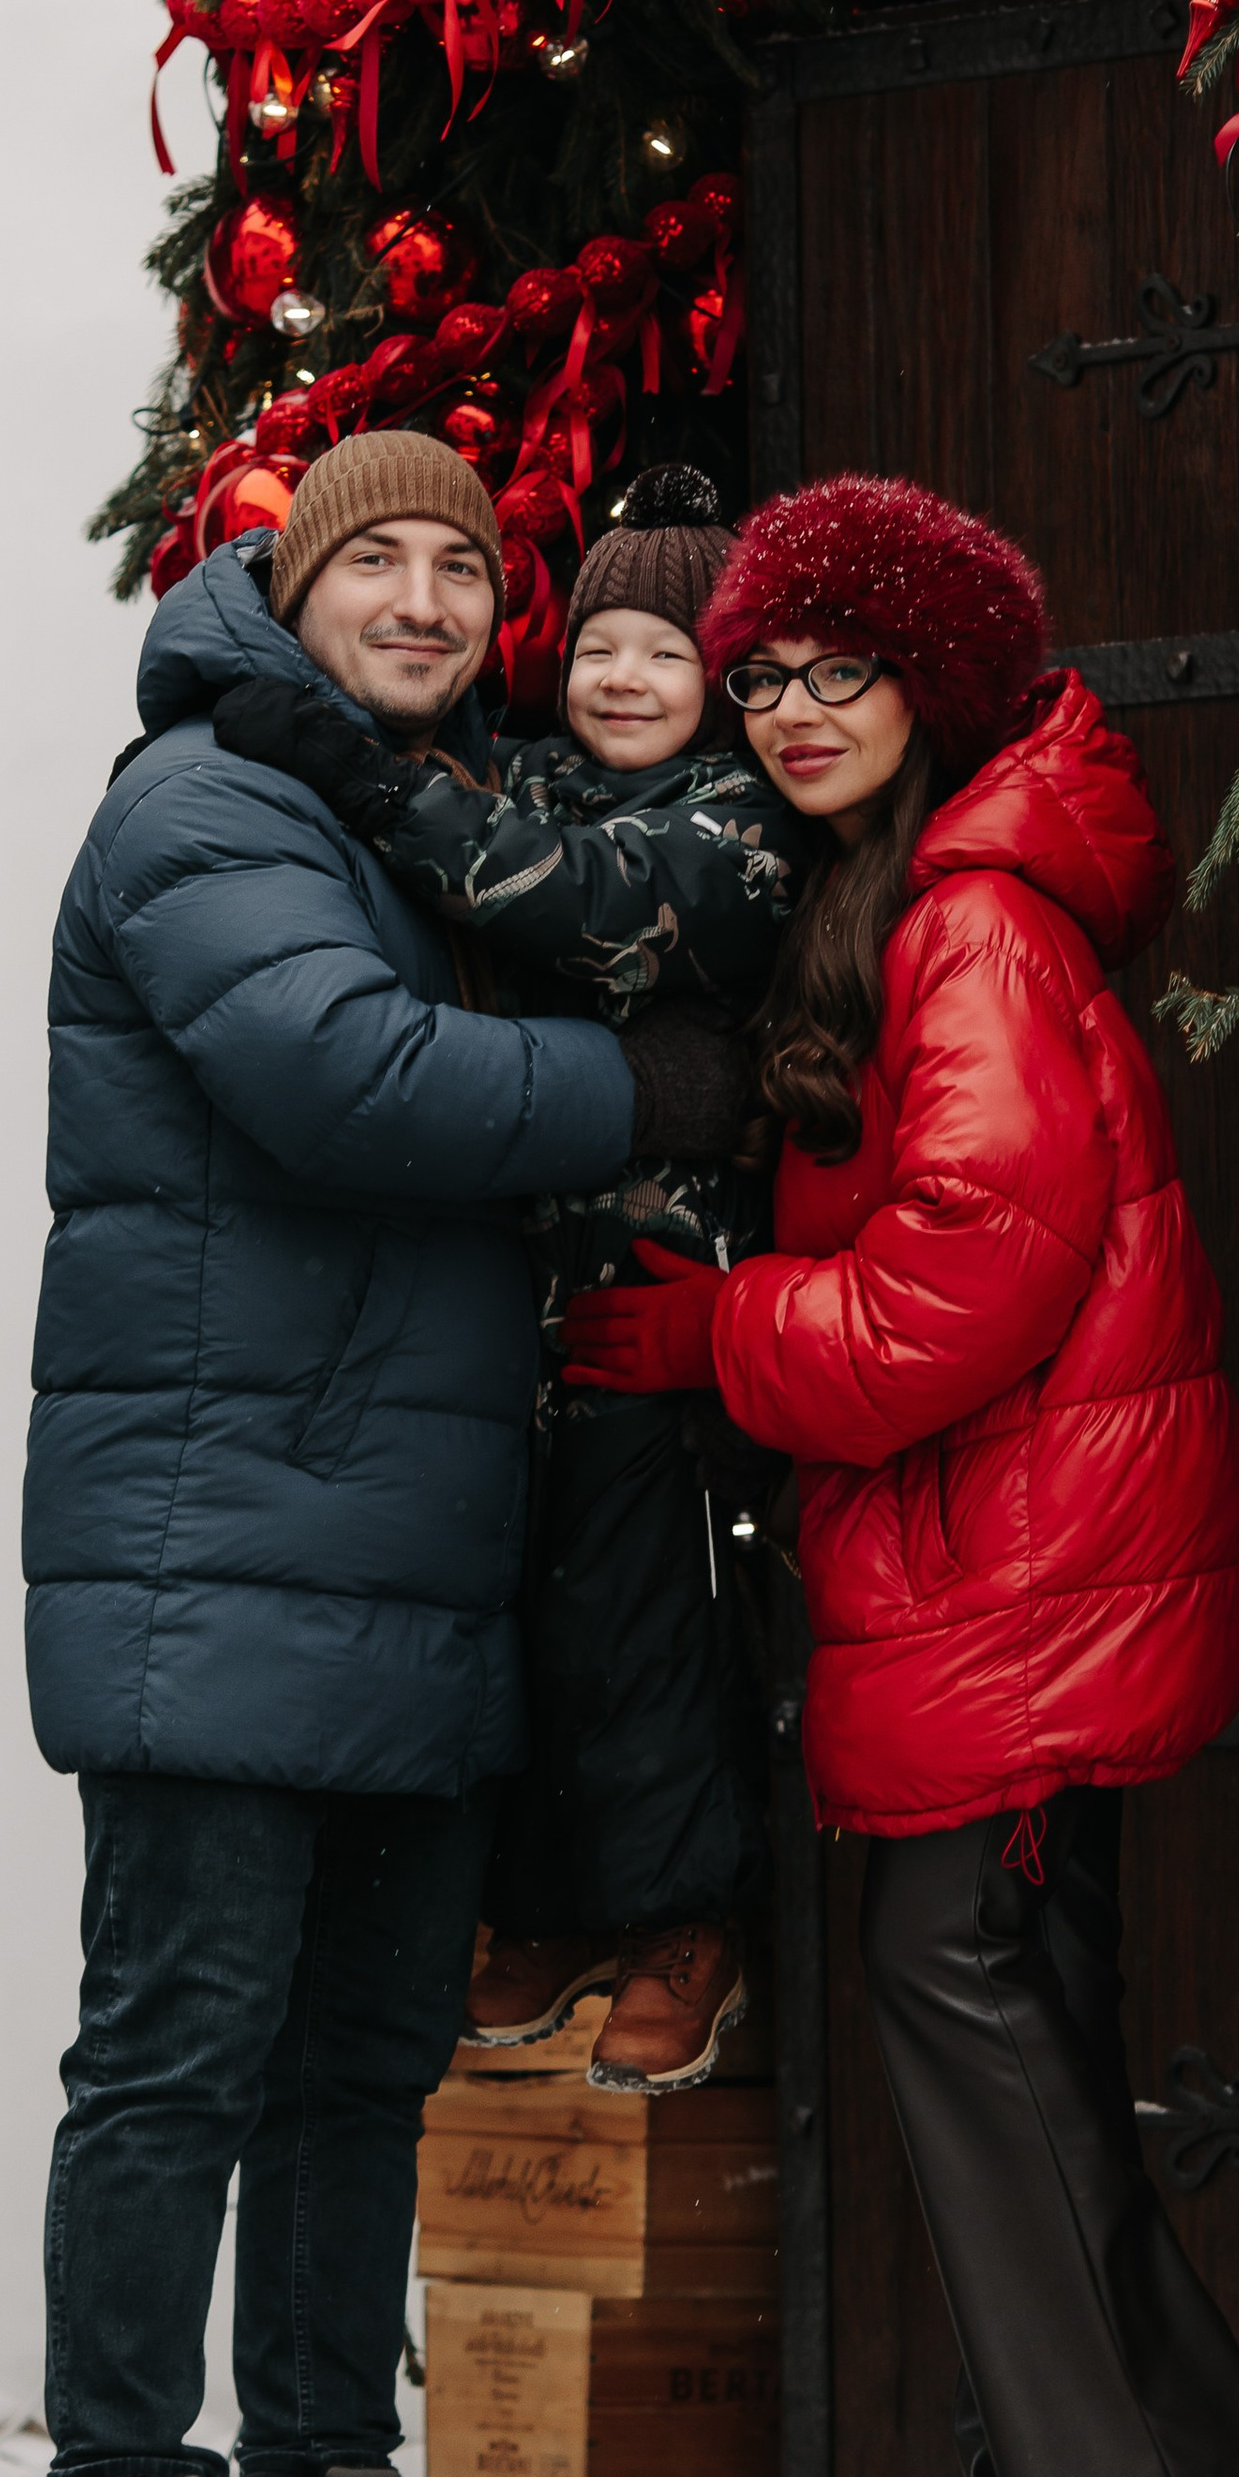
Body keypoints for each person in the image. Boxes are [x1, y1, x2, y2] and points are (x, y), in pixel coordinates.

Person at [25, 429, 744, 2477]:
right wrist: (661, 1090)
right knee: (174, 2066)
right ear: (290, 583)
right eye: (381, 563)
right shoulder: (209, 808)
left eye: (463, 565)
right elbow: (347, 1083)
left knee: (356, 2075)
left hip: (419, 1551)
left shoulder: (426, 817)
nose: (426, 600)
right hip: (219, 1544)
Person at [564, 468, 1239, 2477]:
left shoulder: (963, 920)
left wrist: (715, 1334)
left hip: (1025, 1560)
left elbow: (962, 1282)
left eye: (837, 670)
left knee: (951, 1979)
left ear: (935, 682)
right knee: (1012, 2011)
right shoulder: (893, 894)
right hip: (996, 1563)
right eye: (762, 674)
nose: (787, 708)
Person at [212, 466, 819, 2094]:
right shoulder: (524, 767)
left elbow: (577, 911)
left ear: (722, 689)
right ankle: (551, 1907)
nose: (624, 678)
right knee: (525, 1614)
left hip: (648, 1289)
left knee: (642, 1608)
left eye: (669, 657)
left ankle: (688, 1912)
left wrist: (356, 771)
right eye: (604, 644)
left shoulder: (734, 824)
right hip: (503, 1300)